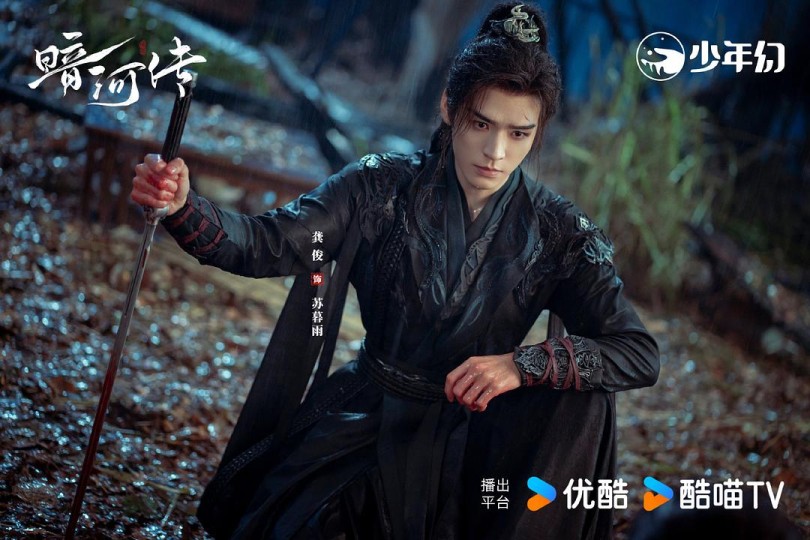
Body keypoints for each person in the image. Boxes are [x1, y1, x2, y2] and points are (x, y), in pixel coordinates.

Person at [131, 3, 659, 539]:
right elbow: (266, 243)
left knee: (586, 389)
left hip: (476, 438)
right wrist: (183, 206)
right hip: (369, 412)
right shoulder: (379, 186)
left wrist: (522, 365)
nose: (496, 152)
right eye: (481, 123)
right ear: (449, 106)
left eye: (519, 134)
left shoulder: (559, 231)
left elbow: (638, 351)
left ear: (538, 131)